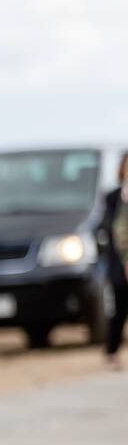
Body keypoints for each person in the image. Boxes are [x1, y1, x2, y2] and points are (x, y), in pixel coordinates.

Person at [99, 152, 128, 370]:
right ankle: (112, 351)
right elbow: (109, 228)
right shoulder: (113, 197)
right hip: (119, 263)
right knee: (119, 310)